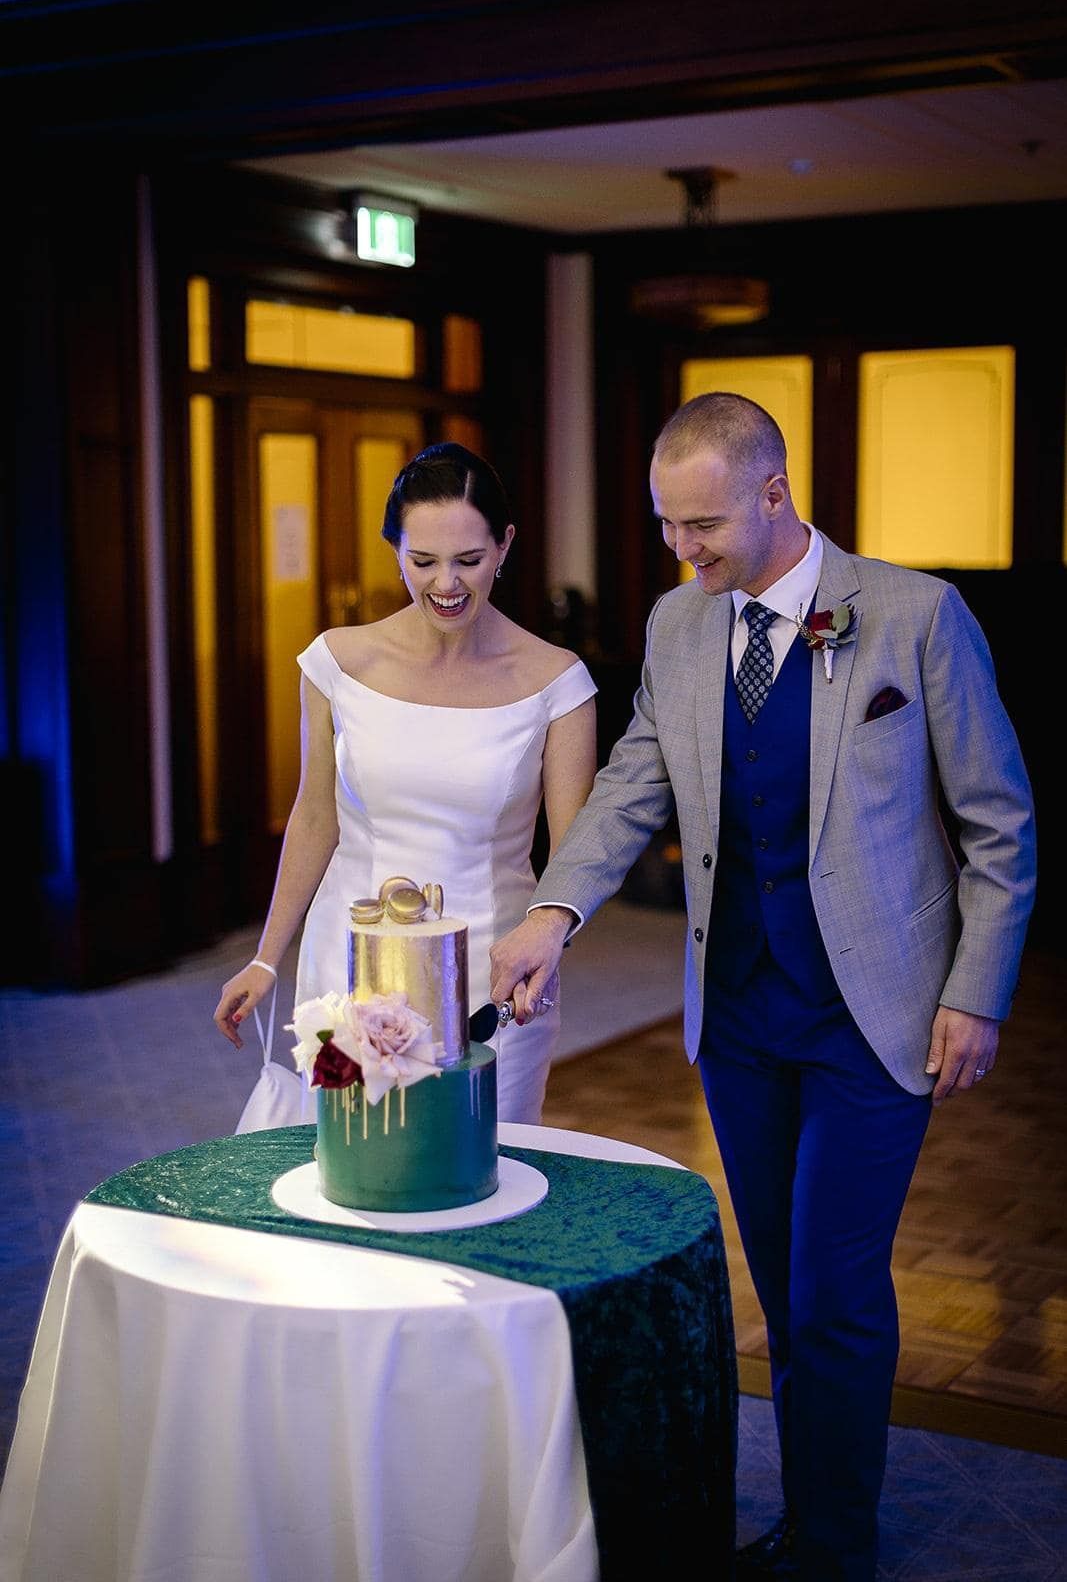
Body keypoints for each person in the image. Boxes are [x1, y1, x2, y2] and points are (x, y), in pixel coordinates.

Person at [489, 393, 1036, 1580]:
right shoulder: (681, 627)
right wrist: (551, 906)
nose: (684, 552)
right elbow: (633, 781)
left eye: (703, 527)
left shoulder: (914, 617)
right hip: (734, 1012)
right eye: (667, 527)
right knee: (782, 1286)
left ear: (774, 494)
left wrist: (976, 991)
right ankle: (804, 1513)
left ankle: (832, 1547)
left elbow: (998, 824)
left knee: (835, 1285)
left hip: (873, 1012)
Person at [214, 441, 598, 1122]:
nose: (445, 584)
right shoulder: (337, 661)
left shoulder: (555, 682)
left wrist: (548, 943)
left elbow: (576, 855)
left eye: (468, 561)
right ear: (394, 549)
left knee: (479, 1173)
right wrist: (267, 958)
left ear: (504, 546)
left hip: (491, 975)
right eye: (422, 561)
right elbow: (314, 818)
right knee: (353, 1170)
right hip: (349, 968)